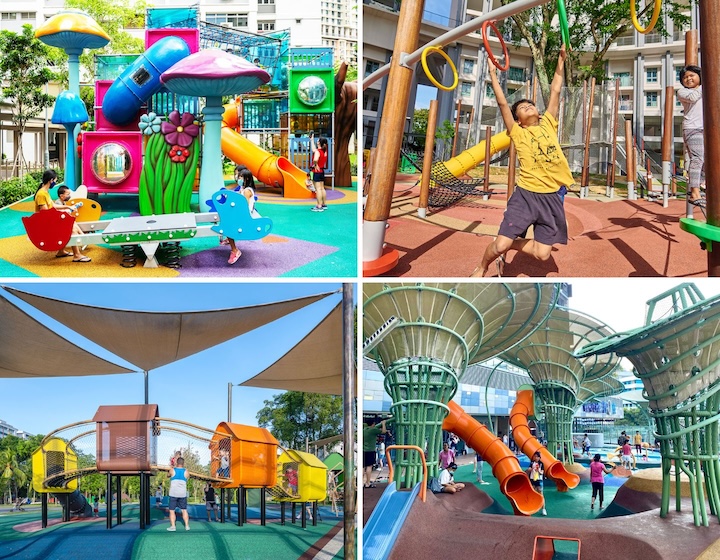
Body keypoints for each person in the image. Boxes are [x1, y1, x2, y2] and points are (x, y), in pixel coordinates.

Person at [471, 45, 572, 277]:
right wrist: (493, 75)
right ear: (518, 119)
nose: (528, 106)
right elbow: (503, 104)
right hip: (526, 195)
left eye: (531, 105)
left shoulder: (548, 123)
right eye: (523, 107)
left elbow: (556, 89)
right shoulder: (517, 132)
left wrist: (561, 59)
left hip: (552, 197)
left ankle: (508, 243)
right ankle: (482, 266)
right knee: (500, 246)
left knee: (543, 254)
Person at [34, 169, 91, 262]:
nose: (55, 183)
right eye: (55, 181)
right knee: (70, 227)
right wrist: (62, 214)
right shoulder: (41, 194)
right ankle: (77, 254)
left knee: (70, 220)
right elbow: (45, 212)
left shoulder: (45, 192)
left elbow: (53, 205)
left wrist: (68, 207)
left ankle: (61, 251)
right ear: (51, 180)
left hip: (48, 219)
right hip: (45, 223)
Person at [677, 65, 704, 201]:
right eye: (685, 77)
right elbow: (694, 97)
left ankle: (703, 183)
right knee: (697, 158)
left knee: (710, 159)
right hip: (693, 128)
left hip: (707, 128)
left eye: (691, 75)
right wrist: (706, 83)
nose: (688, 79)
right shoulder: (682, 92)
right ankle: (694, 191)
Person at [167, 456, 190, 531]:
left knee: (172, 510)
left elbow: (168, 475)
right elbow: (187, 478)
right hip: (182, 494)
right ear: (183, 463)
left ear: (177, 463)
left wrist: (171, 468)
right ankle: (187, 526)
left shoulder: (172, 470)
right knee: (184, 510)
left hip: (173, 494)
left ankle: (173, 526)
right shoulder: (186, 471)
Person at [363, 418, 386, 488]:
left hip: (363, 450)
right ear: (373, 424)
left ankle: (361, 483)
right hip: (370, 450)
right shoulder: (373, 430)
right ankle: (367, 483)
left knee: (362, 467)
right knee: (369, 467)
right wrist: (383, 424)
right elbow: (384, 431)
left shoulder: (364, 430)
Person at [309, 132, 329, 212]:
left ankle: (319, 206)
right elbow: (314, 149)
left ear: (319, 143)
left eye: (318, 140)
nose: (317, 141)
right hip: (321, 171)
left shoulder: (318, 152)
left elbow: (315, 159)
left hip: (316, 171)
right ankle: (323, 204)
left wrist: (315, 164)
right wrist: (312, 140)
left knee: (317, 189)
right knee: (322, 188)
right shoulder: (324, 151)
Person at [526, 451, 547, 515]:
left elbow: (542, 473)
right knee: (532, 494)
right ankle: (532, 507)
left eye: (537, 456)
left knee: (541, 494)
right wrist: (531, 468)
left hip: (539, 480)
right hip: (532, 480)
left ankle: (543, 509)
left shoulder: (541, 464)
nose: (536, 458)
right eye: (535, 456)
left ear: (539, 457)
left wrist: (538, 470)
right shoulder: (532, 463)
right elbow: (528, 470)